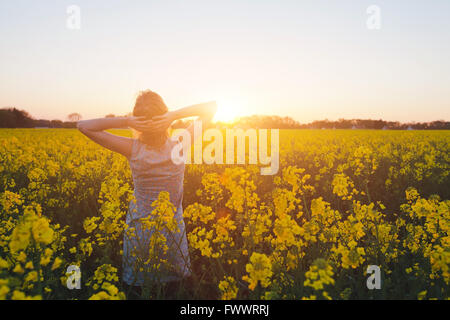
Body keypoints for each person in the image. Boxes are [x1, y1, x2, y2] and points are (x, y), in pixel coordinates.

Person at [77, 90, 217, 298]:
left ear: (137, 122)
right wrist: (173, 115)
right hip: (172, 231)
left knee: (140, 290)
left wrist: (127, 121)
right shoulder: (180, 145)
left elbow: (83, 126)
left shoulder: (131, 148)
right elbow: (211, 107)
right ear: (164, 118)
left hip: (140, 230)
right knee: (176, 289)